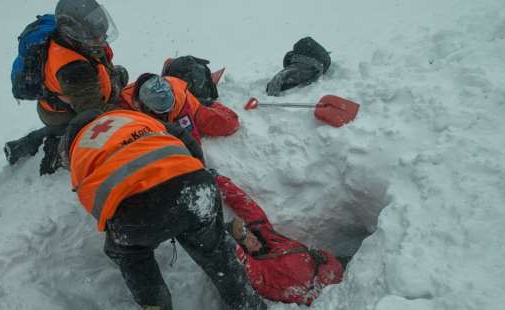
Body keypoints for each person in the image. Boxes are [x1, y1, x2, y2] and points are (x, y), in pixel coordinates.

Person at [58, 108, 266, 310]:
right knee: (217, 253)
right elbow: (184, 136)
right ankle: (247, 304)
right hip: (195, 185)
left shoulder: (79, 152)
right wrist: (193, 172)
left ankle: (155, 304)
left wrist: (127, 229)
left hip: (137, 212)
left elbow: (97, 204)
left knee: (129, 254)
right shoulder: (131, 117)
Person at [5, 0, 128, 174]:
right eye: (96, 36)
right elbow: (94, 112)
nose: (103, 38)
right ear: (75, 33)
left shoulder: (76, 41)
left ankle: (25, 143)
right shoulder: (73, 68)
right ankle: (56, 151)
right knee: (92, 126)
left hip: (70, 95)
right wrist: (134, 117)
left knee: (121, 76)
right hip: (61, 112)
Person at [213, 173, 345, 305]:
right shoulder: (259, 272)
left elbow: (248, 208)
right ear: (241, 248)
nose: (251, 237)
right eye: (244, 238)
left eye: (248, 232)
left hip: (339, 271)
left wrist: (219, 180)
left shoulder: (269, 238)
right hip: (330, 299)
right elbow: (235, 255)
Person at [118, 73, 239, 144]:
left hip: (190, 106)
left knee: (229, 124)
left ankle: (207, 104)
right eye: (162, 109)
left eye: (169, 106)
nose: (168, 111)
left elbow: (192, 140)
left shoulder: (179, 105)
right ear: (143, 105)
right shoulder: (125, 104)